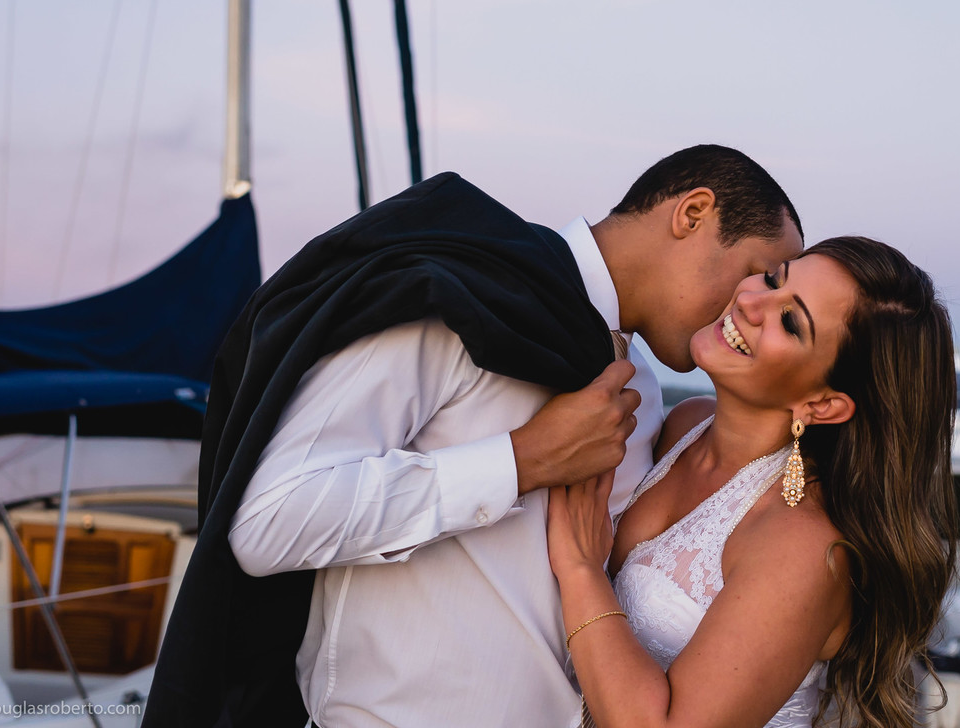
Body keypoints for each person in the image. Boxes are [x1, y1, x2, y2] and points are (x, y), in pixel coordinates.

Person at [142, 145, 803, 728]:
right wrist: (520, 461)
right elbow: (269, 522)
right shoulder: (460, 298)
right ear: (692, 213)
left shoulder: (643, 397)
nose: (747, 304)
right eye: (757, 271)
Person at [548, 236, 958, 728]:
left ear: (822, 405)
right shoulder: (684, 424)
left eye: (790, 321)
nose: (748, 301)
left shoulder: (805, 546)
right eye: (772, 278)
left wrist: (579, 571)